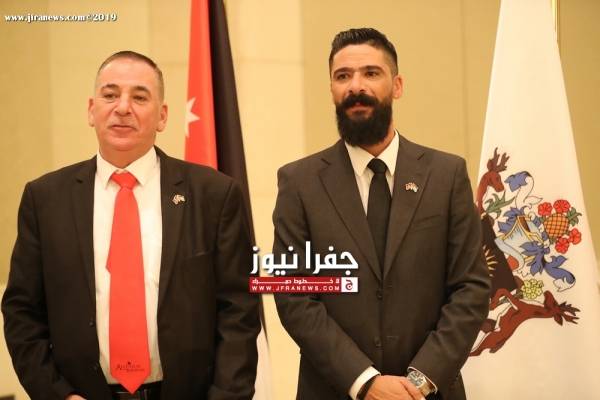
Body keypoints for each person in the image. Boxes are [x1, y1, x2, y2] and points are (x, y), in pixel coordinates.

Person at [2, 51, 260, 400]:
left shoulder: (214, 194)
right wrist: (57, 395)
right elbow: (22, 312)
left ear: (162, 116)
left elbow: (239, 310)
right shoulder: (45, 199)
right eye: (110, 95)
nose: (123, 107)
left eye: (139, 97)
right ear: (91, 110)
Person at [273, 28, 490, 400]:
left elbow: (470, 288)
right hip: (334, 390)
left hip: (429, 392)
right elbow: (294, 296)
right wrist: (365, 382)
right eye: (343, 76)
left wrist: (420, 381)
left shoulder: (446, 175)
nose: (356, 86)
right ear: (331, 89)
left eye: (371, 73)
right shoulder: (299, 182)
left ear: (397, 85)